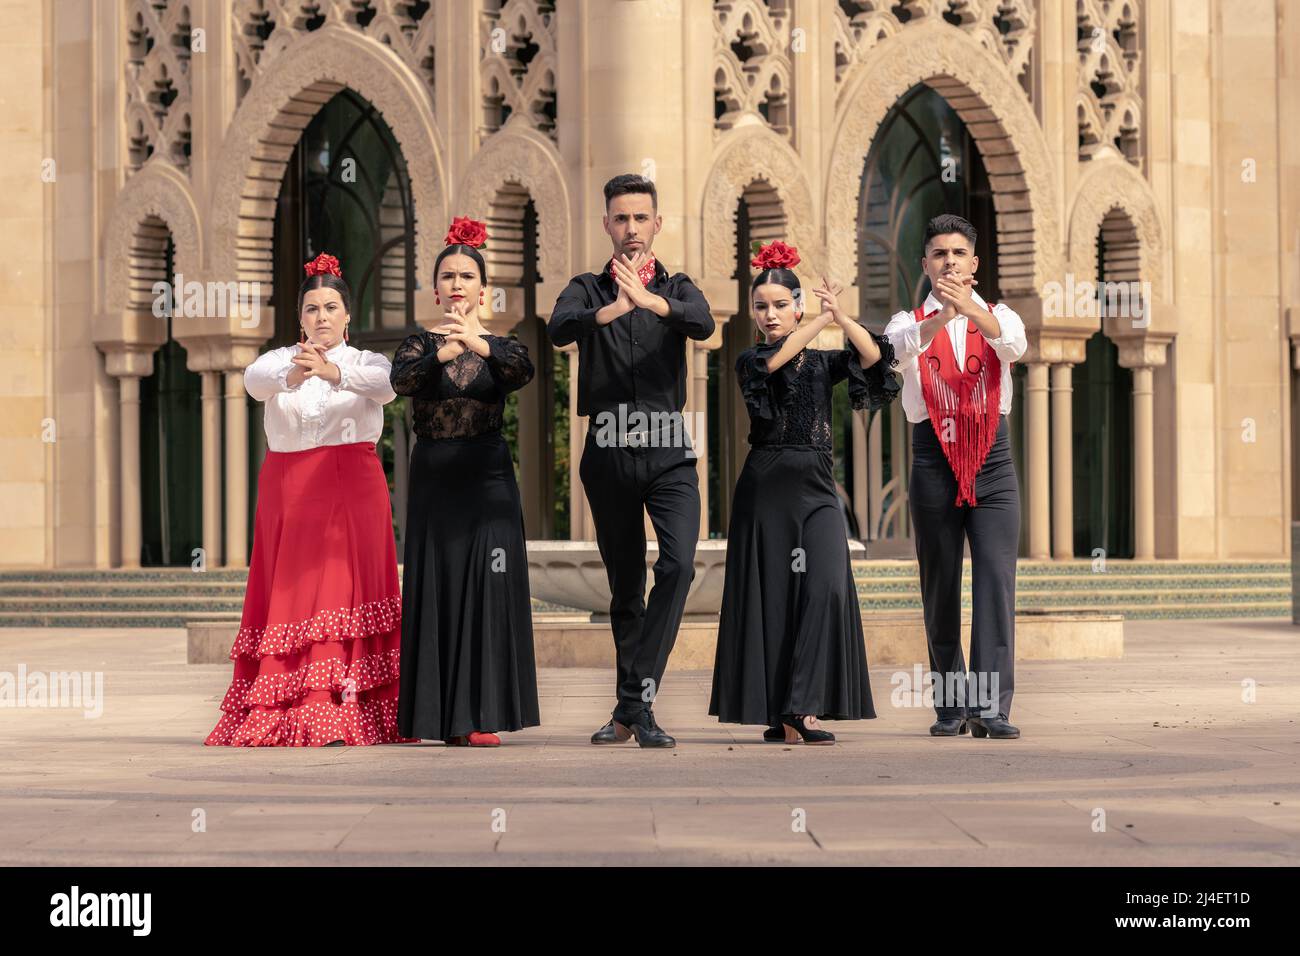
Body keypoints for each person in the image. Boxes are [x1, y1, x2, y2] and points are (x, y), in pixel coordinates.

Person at [205, 252, 407, 747]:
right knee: (292, 591)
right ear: (300, 317)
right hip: (290, 490)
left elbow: (389, 388)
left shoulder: (366, 362)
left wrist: (333, 372)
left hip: (351, 488)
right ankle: (287, 703)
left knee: (342, 589)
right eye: (313, 308)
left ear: (347, 315)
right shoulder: (278, 362)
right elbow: (253, 383)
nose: (322, 317)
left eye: (331, 307)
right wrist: (297, 374)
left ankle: (345, 707)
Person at [546, 174, 715, 748]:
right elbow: (556, 328)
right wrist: (613, 310)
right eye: (621, 218)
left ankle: (632, 702)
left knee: (678, 566)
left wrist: (650, 302)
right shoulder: (587, 288)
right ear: (607, 225)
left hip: (670, 449)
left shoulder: (678, 286)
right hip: (609, 451)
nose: (631, 228)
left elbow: (704, 323)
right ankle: (636, 710)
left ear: (656, 223)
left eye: (641, 218)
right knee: (625, 587)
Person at [709, 241, 900, 744]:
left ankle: (803, 702)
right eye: (761, 306)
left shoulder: (821, 362)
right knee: (774, 596)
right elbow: (775, 364)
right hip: (765, 487)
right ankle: (788, 713)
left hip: (816, 488)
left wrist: (840, 314)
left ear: (795, 305)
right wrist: (816, 322)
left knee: (827, 586)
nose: (770, 315)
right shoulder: (750, 359)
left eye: (779, 305)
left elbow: (874, 355)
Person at [391, 216, 540, 747]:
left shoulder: (503, 346)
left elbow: (521, 372)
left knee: (488, 584)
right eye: (448, 276)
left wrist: (477, 342)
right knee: (440, 583)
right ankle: (436, 718)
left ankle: (480, 713)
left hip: (489, 478)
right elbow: (403, 381)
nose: (457, 284)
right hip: (434, 477)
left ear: (483, 289)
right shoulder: (416, 346)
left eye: (466, 276)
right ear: (435, 289)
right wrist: (447, 350)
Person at [883, 213, 1027, 739]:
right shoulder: (908, 320)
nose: (948, 261)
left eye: (958, 253)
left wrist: (970, 311)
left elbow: (1014, 347)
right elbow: (895, 354)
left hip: (993, 463)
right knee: (940, 586)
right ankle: (950, 706)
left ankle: (991, 708)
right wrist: (943, 316)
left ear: (974, 263)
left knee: (994, 583)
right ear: (925, 265)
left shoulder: (1000, 315)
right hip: (933, 463)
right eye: (939, 254)